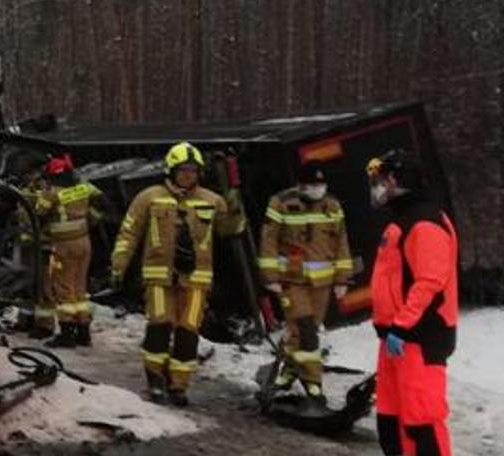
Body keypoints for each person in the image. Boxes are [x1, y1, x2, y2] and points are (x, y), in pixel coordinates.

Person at [355, 149, 460, 456]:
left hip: (419, 336)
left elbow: (429, 282)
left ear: (398, 180)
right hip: (396, 336)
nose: (377, 187)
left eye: (381, 179)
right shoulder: (401, 221)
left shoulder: (425, 223)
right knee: (392, 413)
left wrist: (404, 324)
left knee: (422, 414)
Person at [110, 142, 247, 406]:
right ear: (171, 171)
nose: (188, 175)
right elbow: (129, 233)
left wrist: (234, 208)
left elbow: (230, 231)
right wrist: (119, 265)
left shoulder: (211, 200)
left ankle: (179, 386)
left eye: (193, 171)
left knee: (188, 330)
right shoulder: (149, 197)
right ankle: (156, 380)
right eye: (183, 170)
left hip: (196, 279)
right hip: (159, 277)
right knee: (160, 323)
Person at [257, 163, 355, 410]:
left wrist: (343, 278)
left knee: (302, 330)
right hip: (292, 280)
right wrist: (271, 278)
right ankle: (313, 383)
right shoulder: (281, 203)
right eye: (311, 185)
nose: (316, 190)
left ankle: (289, 370)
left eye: (320, 185)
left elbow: (341, 244)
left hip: (321, 281)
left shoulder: (332, 207)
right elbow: (268, 241)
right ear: (300, 185)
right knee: (306, 328)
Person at [33, 154, 102, 348]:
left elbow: (39, 212)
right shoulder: (84, 186)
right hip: (84, 241)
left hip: (64, 245)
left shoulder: (52, 191)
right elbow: (100, 200)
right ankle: (83, 332)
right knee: (79, 288)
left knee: (63, 289)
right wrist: (92, 219)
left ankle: (67, 334)